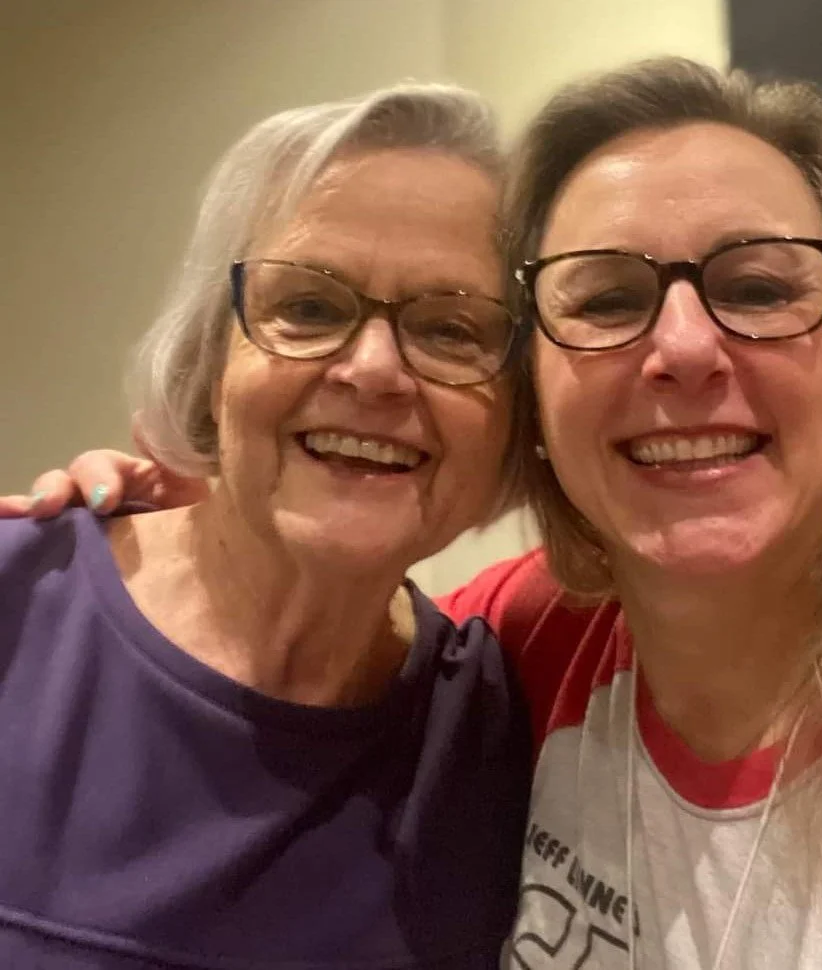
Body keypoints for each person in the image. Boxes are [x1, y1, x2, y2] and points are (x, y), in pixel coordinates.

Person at [9, 58, 822, 968]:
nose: (686, 348)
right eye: (607, 299)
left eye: (759, 288)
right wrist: (113, 529)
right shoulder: (528, 650)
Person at [0, 83, 532, 968]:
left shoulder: (495, 731)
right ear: (212, 358)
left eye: (450, 329)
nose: (373, 372)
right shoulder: (16, 611)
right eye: (311, 308)